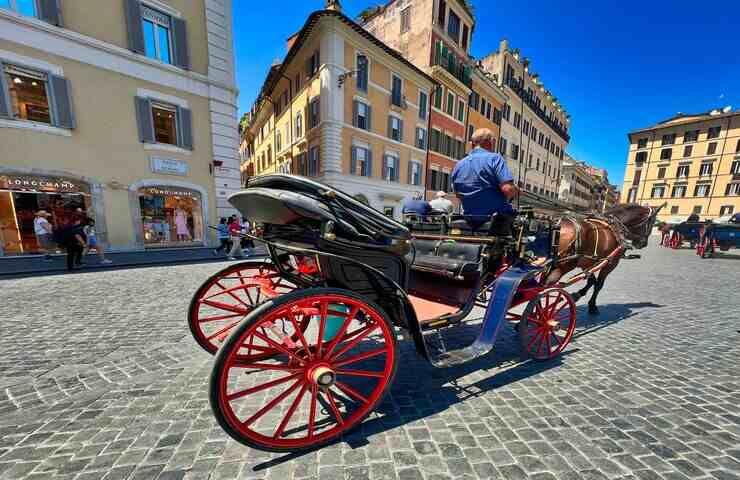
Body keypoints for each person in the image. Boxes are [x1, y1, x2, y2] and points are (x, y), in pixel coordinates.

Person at [451, 128, 519, 229]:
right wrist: (516, 190)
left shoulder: (459, 164)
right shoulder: (495, 158)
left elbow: (458, 194)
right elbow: (507, 189)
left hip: (470, 219)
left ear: (472, 144)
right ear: (490, 142)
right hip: (496, 220)